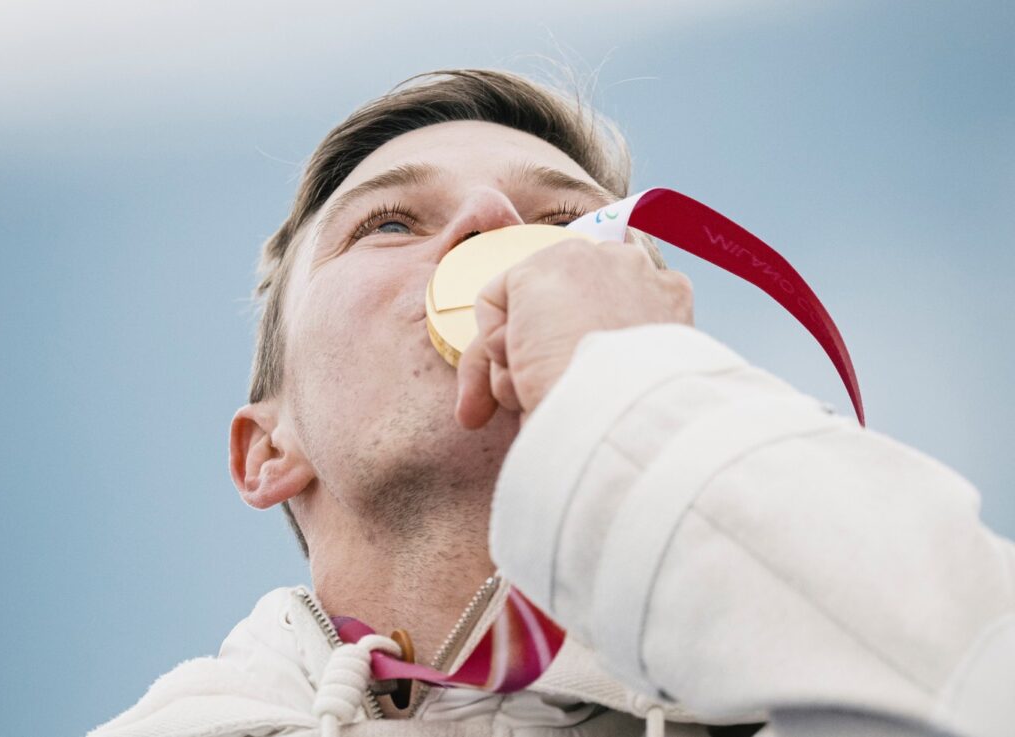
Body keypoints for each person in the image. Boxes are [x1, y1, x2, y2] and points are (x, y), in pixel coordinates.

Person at [88, 69, 1014, 737]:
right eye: (391, 222)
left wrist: (638, 405)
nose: (492, 223)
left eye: (570, 226)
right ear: (266, 449)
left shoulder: (796, 695)